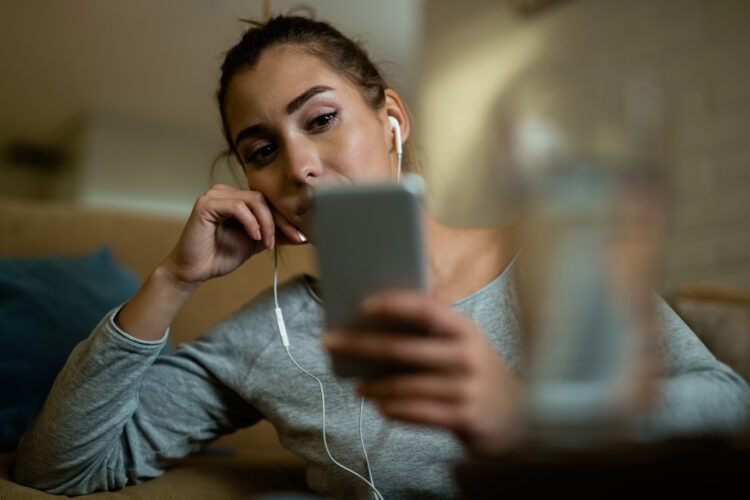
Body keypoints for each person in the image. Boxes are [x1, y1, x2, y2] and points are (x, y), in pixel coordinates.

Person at [14, 15, 750, 499]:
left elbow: (727, 404)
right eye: (262, 150)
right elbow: (58, 466)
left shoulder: (540, 258)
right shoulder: (266, 339)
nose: (299, 166)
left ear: (390, 119)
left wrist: (530, 412)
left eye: (322, 119)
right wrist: (173, 281)